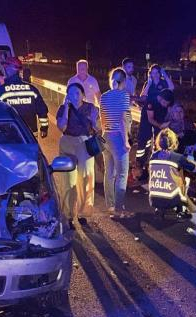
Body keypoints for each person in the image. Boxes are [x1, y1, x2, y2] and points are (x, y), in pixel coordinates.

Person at [56, 82, 100, 226]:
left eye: (77, 93)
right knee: (68, 181)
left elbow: (96, 128)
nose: (74, 96)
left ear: (83, 95)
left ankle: (83, 213)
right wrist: (66, 108)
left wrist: (93, 121)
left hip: (84, 143)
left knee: (85, 179)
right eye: (70, 93)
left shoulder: (91, 108)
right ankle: (68, 214)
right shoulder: (63, 108)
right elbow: (62, 127)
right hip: (67, 142)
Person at [100, 68, 133, 218]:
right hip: (118, 137)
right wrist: (126, 141)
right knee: (122, 174)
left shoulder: (104, 96)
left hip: (106, 135)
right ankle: (119, 209)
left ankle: (111, 206)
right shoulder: (124, 95)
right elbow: (123, 120)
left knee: (109, 173)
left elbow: (102, 117)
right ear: (123, 81)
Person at [148, 129, 196, 216]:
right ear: (174, 142)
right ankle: (187, 210)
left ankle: (160, 208)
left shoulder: (153, 156)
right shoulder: (178, 158)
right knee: (183, 181)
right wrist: (190, 158)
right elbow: (195, 169)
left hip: (153, 199)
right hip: (171, 199)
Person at [0, 57, 49, 138]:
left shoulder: (2, 90)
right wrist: (44, 128)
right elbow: (42, 110)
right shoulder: (32, 89)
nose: (5, 70)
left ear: (11, 69)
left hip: (11, 134)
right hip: (30, 134)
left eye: (6, 67)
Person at [134, 88, 175, 184]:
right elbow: (150, 119)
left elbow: (169, 112)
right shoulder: (151, 101)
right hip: (147, 124)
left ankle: (155, 166)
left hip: (159, 122)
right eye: (165, 103)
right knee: (143, 144)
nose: (165, 105)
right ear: (160, 98)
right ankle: (139, 166)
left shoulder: (166, 103)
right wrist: (160, 125)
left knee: (159, 144)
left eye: (167, 104)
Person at [136, 64, 175, 155]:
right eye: (153, 73)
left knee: (159, 134)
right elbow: (143, 96)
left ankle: (156, 153)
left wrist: (165, 76)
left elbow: (172, 88)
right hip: (148, 111)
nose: (155, 75)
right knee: (145, 133)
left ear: (160, 73)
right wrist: (149, 84)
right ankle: (143, 156)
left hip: (160, 112)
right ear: (150, 74)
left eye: (157, 72)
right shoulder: (148, 83)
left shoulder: (164, 83)